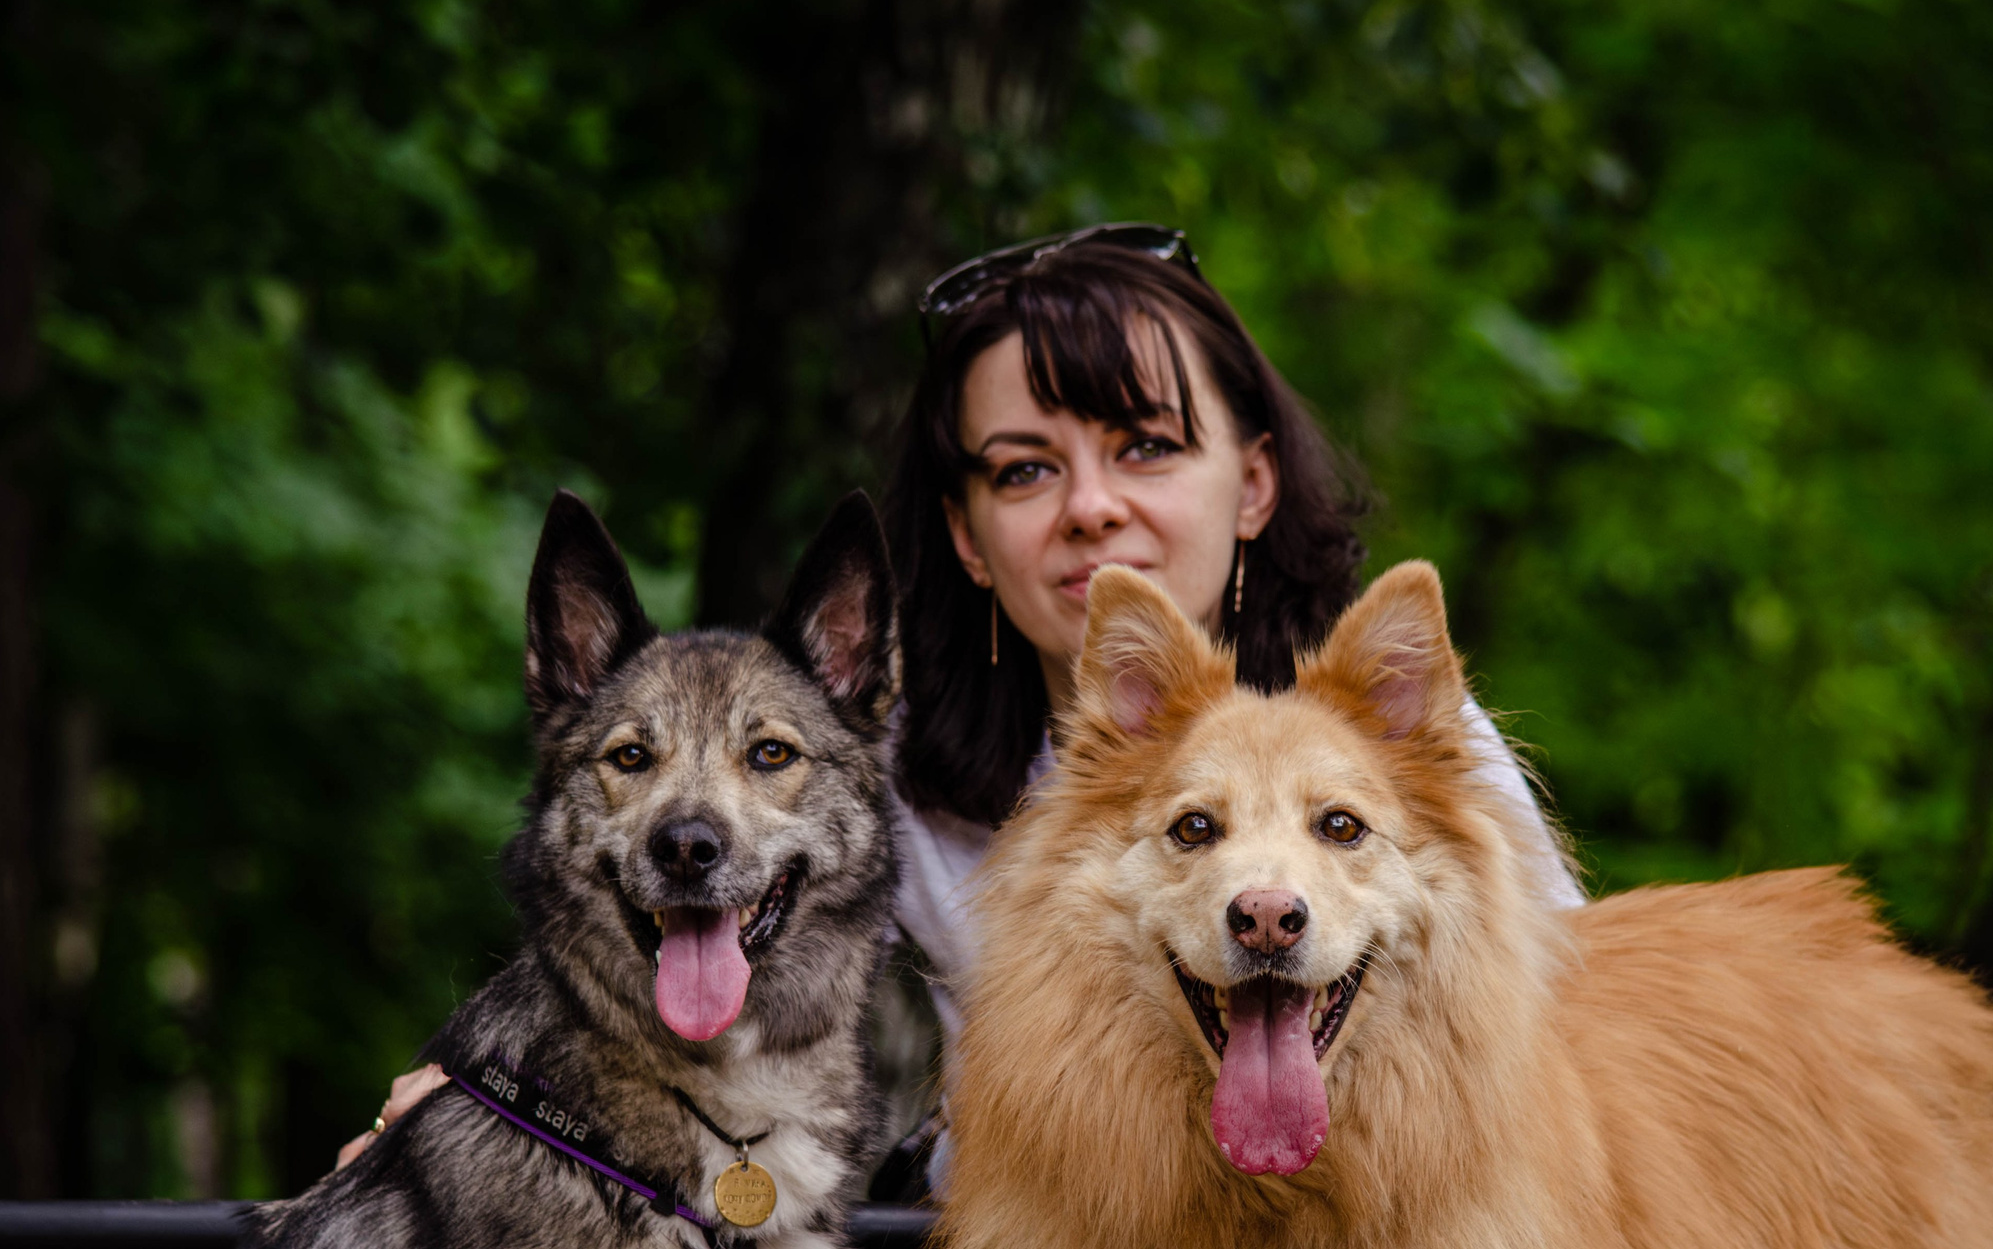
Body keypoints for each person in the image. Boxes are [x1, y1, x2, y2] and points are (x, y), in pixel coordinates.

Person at [339, 224, 1582, 1174]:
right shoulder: (875, 770)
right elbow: (682, 937)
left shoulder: (1400, 745)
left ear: (1251, 485)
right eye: (1026, 469)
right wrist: (489, 1086)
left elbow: (1577, 1018)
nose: (1090, 505)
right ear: (969, 535)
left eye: (1144, 446)